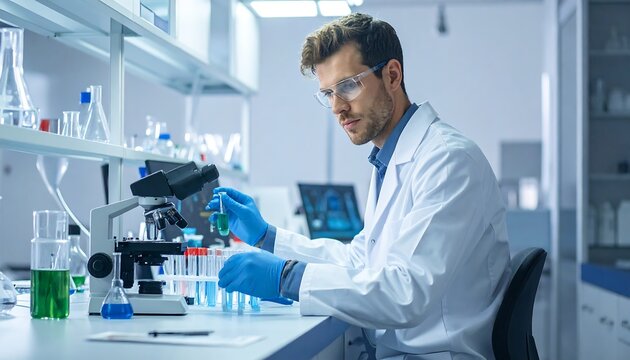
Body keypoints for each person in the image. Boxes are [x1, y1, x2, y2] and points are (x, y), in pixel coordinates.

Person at [207, 13, 511, 360]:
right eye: (328, 93)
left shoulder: (448, 161)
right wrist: (269, 237)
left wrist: (287, 277)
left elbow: (405, 293)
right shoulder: (389, 159)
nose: (337, 107)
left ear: (392, 75)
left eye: (349, 85)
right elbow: (363, 260)